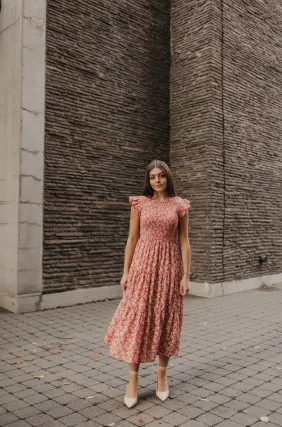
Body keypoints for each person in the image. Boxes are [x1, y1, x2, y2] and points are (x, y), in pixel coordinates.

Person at [104, 159, 191, 408]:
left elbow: (184, 240)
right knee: (139, 318)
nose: (157, 180)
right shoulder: (140, 203)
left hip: (169, 267)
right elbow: (132, 238)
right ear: (148, 180)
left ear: (167, 177)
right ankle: (132, 380)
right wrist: (125, 272)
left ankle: (162, 375)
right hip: (142, 266)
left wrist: (186, 276)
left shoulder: (180, 205)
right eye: (152, 177)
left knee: (166, 318)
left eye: (161, 176)